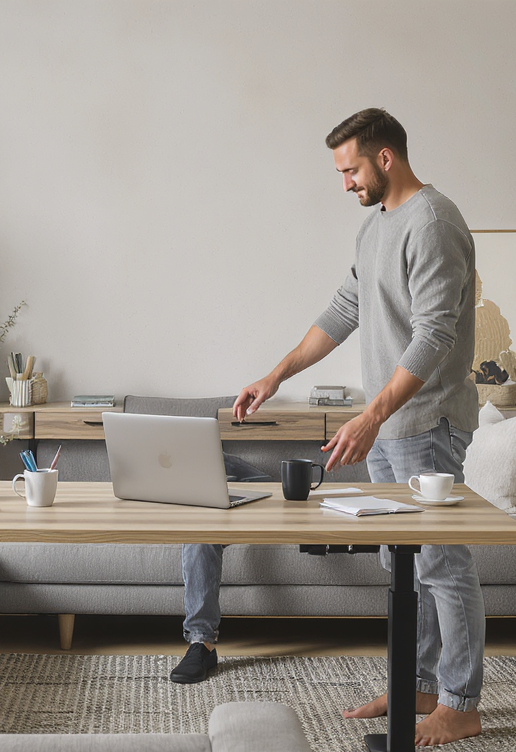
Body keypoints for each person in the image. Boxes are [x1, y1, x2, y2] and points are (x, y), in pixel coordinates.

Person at [167, 108, 482, 746]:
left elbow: (434, 336)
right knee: (411, 566)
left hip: (428, 422)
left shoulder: (434, 222)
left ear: (384, 157)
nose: (345, 184)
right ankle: (418, 683)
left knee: (444, 564)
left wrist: (370, 414)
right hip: (396, 425)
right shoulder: (376, 228)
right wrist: (275, 374)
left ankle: (461, 701)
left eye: (350, 169)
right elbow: (344, 310)